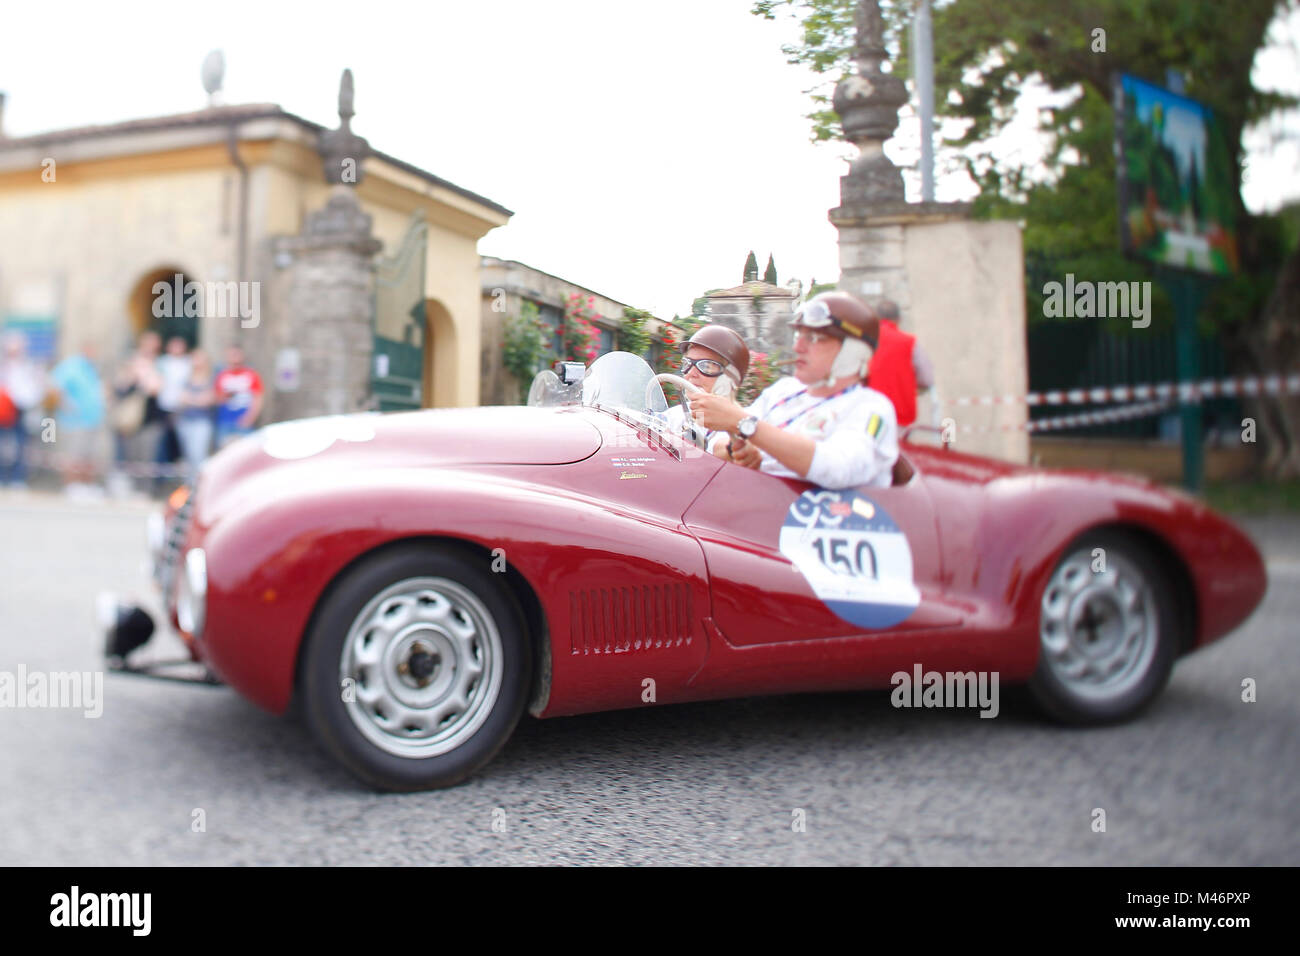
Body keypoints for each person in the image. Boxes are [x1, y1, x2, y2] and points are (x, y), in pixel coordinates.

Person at [689, 291, 898, 490]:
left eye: (815, 338)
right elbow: (719, 442)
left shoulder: (872, 407)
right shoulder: (784, 391)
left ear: (852, 352)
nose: (798, 347)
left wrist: (745, 426)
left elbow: (840, 469)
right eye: (800, 335)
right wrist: (737, 450)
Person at [663, 325, 750, 447]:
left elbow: (726, 450)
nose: (691, 373)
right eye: (687, 363)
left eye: (706, 366)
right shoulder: (675, 416)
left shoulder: (746, 427)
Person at [865, 298, 935, 427]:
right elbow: (927, 378)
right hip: (900, 415)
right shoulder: (910, 342)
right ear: (898, 319)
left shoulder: (865, 342)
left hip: (869, 415)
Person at [50, 343, 107, 495]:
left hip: (92, 419)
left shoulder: (91, 368)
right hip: (74, 421)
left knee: (88, 455)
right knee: (73, 455)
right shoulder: (71, 366)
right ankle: (72, 486)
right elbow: (55, 386)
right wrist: (67, 405)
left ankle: (87, 485)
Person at [0, 330, 46, 488]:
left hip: (21, 408)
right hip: (4, 409)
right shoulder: (4, 366)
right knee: (3, 444)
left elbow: (35, 388)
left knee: (21, 444)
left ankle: (17, 478)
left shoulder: (29, 365)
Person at [176, 349, 216, 478]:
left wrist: (191, 399)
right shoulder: (187, 377)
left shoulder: (211, 378)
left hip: (202, 421)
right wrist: (197, 399)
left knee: (199, 455)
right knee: (188, 456)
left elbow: (209, 399)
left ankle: (200, 486)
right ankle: (190, 487)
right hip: (185, 421)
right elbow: (181, 398)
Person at [214, 344, 264, 448]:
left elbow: (258, 398)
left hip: (244, 420)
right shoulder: (222, 375)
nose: (234, 358)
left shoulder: (251, 375)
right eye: (231, 355)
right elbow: (217, 398)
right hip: (226, 421)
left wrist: (249, 418)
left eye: (236, 354)